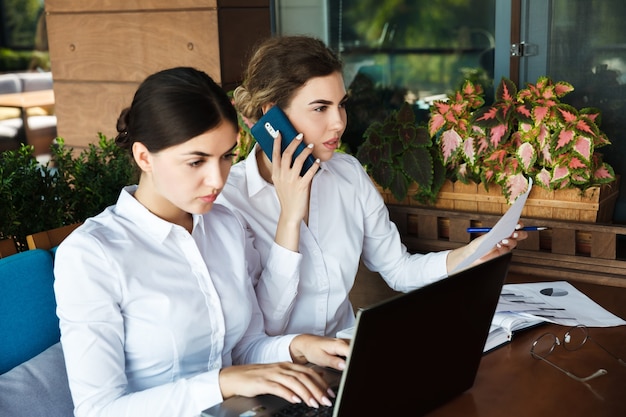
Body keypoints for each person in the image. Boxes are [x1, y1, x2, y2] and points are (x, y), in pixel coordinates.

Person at [53, 67, 349, 417]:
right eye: (196, 161)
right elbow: (98, 410)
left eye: (226, 157)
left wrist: (300, 347)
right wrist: (223, 382)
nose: (217, 179)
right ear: (144, 157)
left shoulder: (224, 225)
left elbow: (245, 347)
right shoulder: (91, 255)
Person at [217, 35, 527, 337]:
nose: (339, 122)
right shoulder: (230, 201)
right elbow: (265, 328)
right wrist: (289, 218)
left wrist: (472, 253)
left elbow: (399, 270)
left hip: (344, 361)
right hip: (276, 376)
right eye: (320, 108)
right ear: (271, 115)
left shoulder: (348, 175)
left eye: (341, 105)